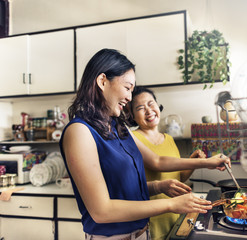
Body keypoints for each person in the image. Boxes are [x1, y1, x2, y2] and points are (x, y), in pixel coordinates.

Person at [59, 48, 230, 240]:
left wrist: (161, 185)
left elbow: (155, 161)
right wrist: (171, 204)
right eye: (127, 88)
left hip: (142, 233)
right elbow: (102, 211)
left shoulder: (118, 127)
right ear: (102, 81)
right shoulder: (79, 132)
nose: (129, 98)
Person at [127, 86, 206, 240]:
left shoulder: (168, 139)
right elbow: (157, 164)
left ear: (158, 106)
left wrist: (193, 162)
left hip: (175, 216)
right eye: (140, 108)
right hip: (150, 220)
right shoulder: (132, 138)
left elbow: (179, 179)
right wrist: (208, 162)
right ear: (133, 116)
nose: (149, 111)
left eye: (151, 104)